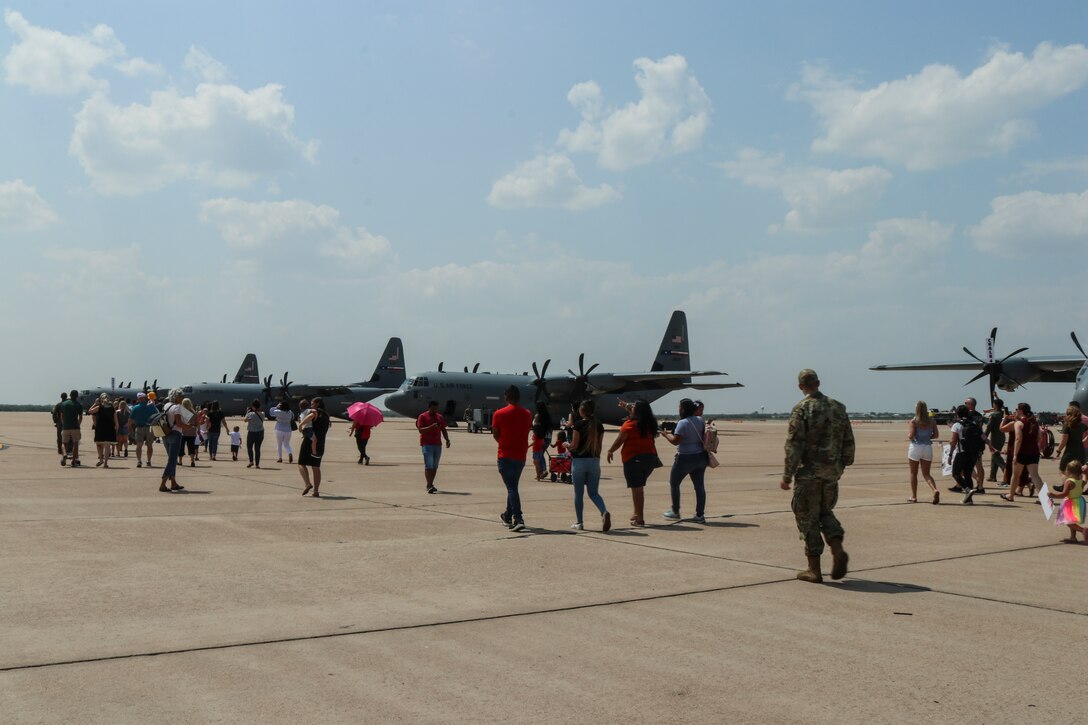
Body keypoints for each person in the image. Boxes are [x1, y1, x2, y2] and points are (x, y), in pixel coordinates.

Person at [780, 369, 855, 584]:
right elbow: (848, 440)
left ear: (800, 386)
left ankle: (814, 569)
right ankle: (837, 546)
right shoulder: (838, 407)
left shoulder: (801, 409)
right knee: (825, 512)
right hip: (831, 472)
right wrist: (843, 464)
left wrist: (787, 475)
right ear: (818, 383)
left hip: (809, 474)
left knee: (806, 517)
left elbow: (794, 445)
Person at [607, 399, 660, 526]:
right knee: (638, 487)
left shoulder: (629, 424)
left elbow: (620, 440)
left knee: (637, 489)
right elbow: (637, 417)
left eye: (634, 406)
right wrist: (627, 407)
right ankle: (636, 513)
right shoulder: (649, 423)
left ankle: (639, 518)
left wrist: (610, 450)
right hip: (650, 459)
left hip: (634, 459)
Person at [660, 398, 709, 523]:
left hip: (685, 458)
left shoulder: (682, 423)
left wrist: (665, 435)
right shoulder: (699, 420)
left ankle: (675, 511)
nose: (679, 409)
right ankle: (699, 515)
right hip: (701, 457)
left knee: (674, 483)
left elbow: (676, 441)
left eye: (680, 407)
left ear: (683, 409)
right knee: (699, 486)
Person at [492, 385, 533, 532]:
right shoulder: (527, 414)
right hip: (520, 456)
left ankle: (518, 518)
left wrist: (504, 443)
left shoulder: (499, 413)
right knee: (513, 486)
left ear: (507, 397)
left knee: (511, 488)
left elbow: (496, 434)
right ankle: (507, 515)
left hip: (505, 455)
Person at [568, 399, 610, 532]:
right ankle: (604, 511)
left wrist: (566, 445)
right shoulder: (599, 425)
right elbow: (599, 446)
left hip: (579, 462)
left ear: (582, 410)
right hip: (594, 461)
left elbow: (574, 445)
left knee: (578, 494)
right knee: (593, 493)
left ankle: (579, 522)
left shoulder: (578, 425)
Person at [999, 402, 1046, 503]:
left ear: (1021, 411)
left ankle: (1011, 495)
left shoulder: (1019, 423)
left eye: (1016, 409)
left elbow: (1018, 439)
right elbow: (1040, 436)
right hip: (1034, 453)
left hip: (1022, 453)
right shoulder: (1034, 423)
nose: (1015, 411)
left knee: (1015, 475)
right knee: (1035, 475)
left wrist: (1015, 454)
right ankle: (1044, 498)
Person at [947, 405, 985, 505]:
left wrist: (950, 454)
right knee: (968, 475)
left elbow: (953, 441)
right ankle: (969, 500)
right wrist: (991, 446)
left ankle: (967, 489)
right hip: (974, 453)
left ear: (957, 414)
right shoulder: (974, 423)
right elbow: (983, 437)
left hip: (962, 452)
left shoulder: (957, 425)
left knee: (956, 473)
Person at [906, 401, 939, 504]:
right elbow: (936, 435)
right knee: (926, 474)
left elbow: (911, 436)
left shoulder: (914, 421)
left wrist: (909, 435)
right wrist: (928, 436)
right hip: (927, 448)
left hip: (915, 447)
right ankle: (934, 490)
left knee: (913, 473)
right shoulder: (931, 421)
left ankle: (914, 496)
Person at [415, 400, 450, 494]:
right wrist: (431, 427)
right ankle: (429, 485)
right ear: (429, 408)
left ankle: (430, 484)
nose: (435, 410)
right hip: (427, 444)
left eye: (436, 409)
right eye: (433, 409)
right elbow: (421, 430)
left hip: (437, 444)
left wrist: (447, 440)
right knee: (428, 465)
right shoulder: (422, 416)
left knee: (434, 466)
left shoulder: (440, 417)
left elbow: (443, 429)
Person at [298, 397, 330, 496]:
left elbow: (311, 416)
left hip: (309, 441)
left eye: (312, 403)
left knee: (301, 463)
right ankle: (316, 491)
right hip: (320, 443)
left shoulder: (315, 412)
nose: (311, 405)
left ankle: (307, 484)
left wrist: (301, 425)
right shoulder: (326, 415)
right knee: (316, 466)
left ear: (317, 404)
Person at [1050, 460, 1086, 543]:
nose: (1065, 471)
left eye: (1066, 470)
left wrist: (1052, 495)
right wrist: (1084, 474)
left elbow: (1063, 494)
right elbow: (1085, 479)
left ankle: (1083, 530)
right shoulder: (1081, 481)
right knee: (1071, 520)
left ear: (1070, 472)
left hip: (1071, 503)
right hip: (1079, 502)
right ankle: (1073, 537)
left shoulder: (1069, 482)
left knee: (1068, 522)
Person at [159, 388, 186, 492]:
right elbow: (179, 423)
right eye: (181, 396)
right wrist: (189, 426)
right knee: (172, 460)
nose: (182, 398)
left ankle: (173, 483)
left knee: (172, 459)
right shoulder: (177, 407)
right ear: (177, 397)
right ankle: (162, 484)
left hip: (166, 434)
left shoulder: (166, 405)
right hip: (175, 433)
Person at [1055, 405, 1087, 475]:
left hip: (1070, 452)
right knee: (1078, 473)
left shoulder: (1067, 425)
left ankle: (1067, 485)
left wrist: (1058, 451)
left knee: (1063, 470)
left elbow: (1064, 441)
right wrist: (1083, 441)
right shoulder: (1082, 425)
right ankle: (1076, 485)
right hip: (1081, 452)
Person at [129, 391, 158, 468]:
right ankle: (148, 461)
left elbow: (130, 420)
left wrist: (130, 428)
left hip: (139, 427)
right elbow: (157, 416)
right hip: (150, 428)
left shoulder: (135, 408)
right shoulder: (151, 406)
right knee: (149, 445)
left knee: (139, 445)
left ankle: (139, 461)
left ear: (138, 399)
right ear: (145, 398)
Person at [88, 393, 117, 468]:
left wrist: (95, 403)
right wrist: (117, 427)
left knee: (98, 444)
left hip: (100, 428)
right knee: (107, 445)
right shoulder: (112, 408)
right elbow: (116, 419)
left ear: (101, 400)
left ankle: (101, 459)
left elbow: (90, 411)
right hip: (110, 428)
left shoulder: (99, 407)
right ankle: (105, 463)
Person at [964, 397, 986, 490]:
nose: (965, 404)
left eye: (966, 403)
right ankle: (980, 485)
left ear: (970, 405)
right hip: (979, 442)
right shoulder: (979, 415)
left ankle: (975, 481)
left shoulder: (968, 415)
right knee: (978, 465)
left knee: (965, 464)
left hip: (970, 443)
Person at [984, 398, 1007, 483]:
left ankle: (1006, 471)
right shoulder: (1003, 414)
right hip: (1002, 437)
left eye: (993, 404)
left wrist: (984, 437)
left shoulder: (994, 415)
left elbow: (988, 427)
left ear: (995, 405)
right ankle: (992, 476)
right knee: (994, 456)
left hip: (995, 438)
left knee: (995, 456)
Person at [271, 399, 295, 464]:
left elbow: (271, 412)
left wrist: (276, 406)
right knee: (287, 444)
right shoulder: (290, 412)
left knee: (279, 444)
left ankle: (280, 458)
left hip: (279, 429)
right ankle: (289, 453)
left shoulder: (277, 411)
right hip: (288, 430)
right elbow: (293, 417)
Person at [180, 398, 202, 467]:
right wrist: (198, 430)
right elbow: (197, 423)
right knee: (191, 447)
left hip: (182, 432)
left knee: (181, 447)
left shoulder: (181, 412)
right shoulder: (194, 413)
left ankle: (180, 461)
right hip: (192, 432)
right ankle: (192, 460)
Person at [244, 399, 265, 468]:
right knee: (257, 448)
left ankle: (251, 461)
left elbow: (245, 420)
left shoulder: (250, 414)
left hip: (251, 432)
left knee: (249, 447)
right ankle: (257, 464)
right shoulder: (262, 413)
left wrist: (247, 412)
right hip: (260, 432)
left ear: (253, 406)